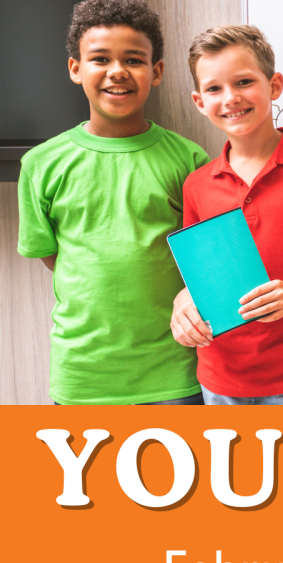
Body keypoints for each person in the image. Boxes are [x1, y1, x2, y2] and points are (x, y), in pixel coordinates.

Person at [17, 0, 209, 404]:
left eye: (134, 60)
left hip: (173, 373)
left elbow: (203, 259)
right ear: (75, 69)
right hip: (82, 376)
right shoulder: (40, 165)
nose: (117, 71)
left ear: (156, 72)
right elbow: (53, 256)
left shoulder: (190, 161)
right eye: (100, 58)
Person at [169, 24, 283, 405]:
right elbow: (200, 278)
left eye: (244, 81)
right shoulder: (197, 185)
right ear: (199, 101)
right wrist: (185, 299)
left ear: (274, 85)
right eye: (214, 89)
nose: (230, 98)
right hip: (218, 379)